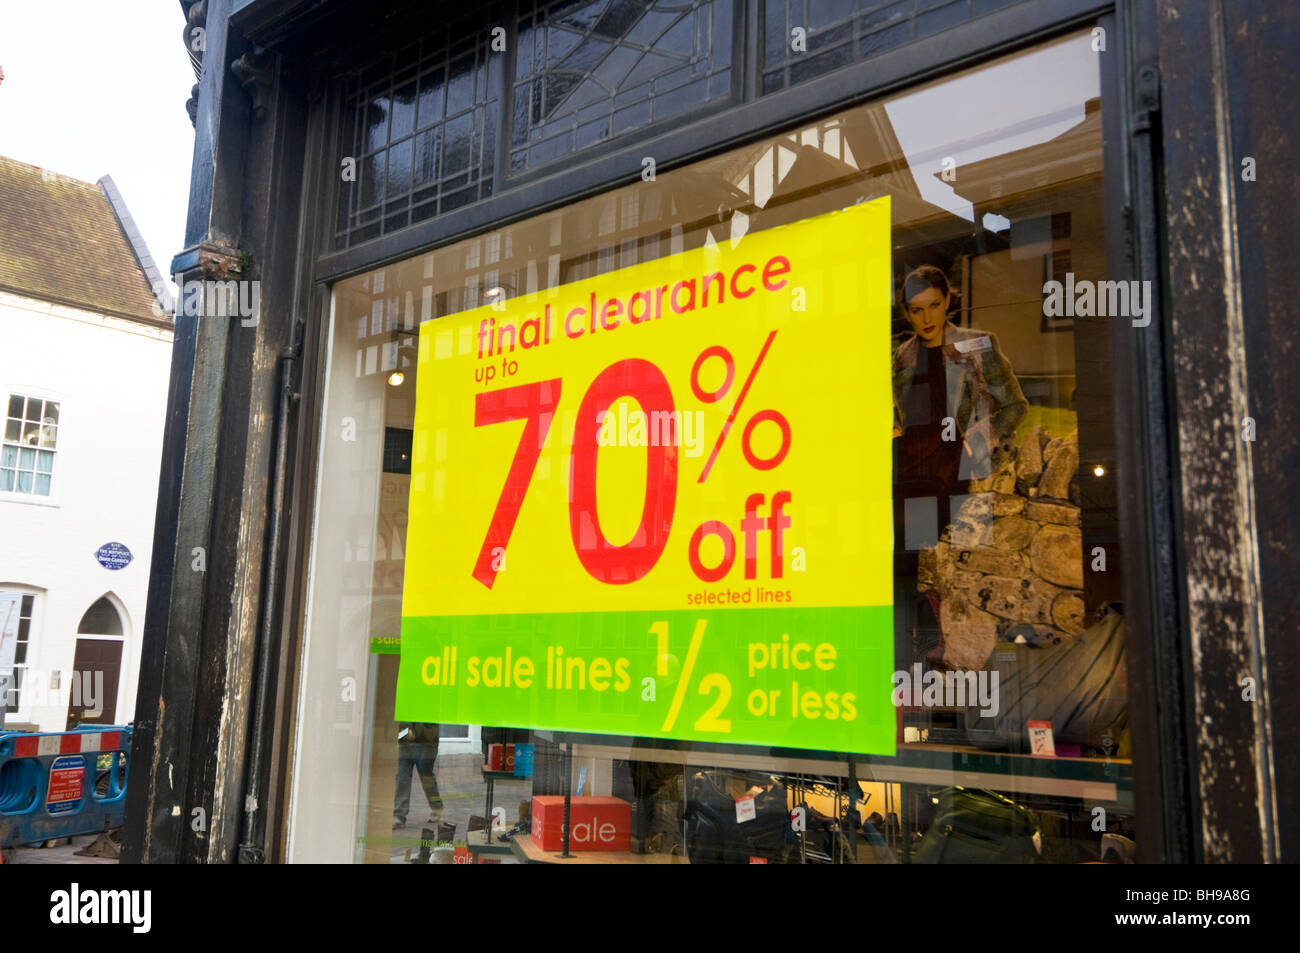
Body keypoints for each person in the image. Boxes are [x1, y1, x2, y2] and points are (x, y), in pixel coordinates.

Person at [892, 265, 1027, 493]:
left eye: (934, 305)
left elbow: (1015, 406)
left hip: (956, 467)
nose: (927, 318)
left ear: (946, 300)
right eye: (917, 310)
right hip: (909, 466)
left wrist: (972, 447)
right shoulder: (903, 354)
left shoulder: (979, 345)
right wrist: (895, 432)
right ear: (907, 313)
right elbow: (899, 410)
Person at [394, 721, 443, 830]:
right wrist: (404, 733)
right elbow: (397, 724)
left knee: (426, 777)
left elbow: (432, 729)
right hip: (405, 744)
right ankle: (399, 815)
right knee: (402, 777)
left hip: (425, 745)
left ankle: (436, 806)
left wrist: (414, 733)